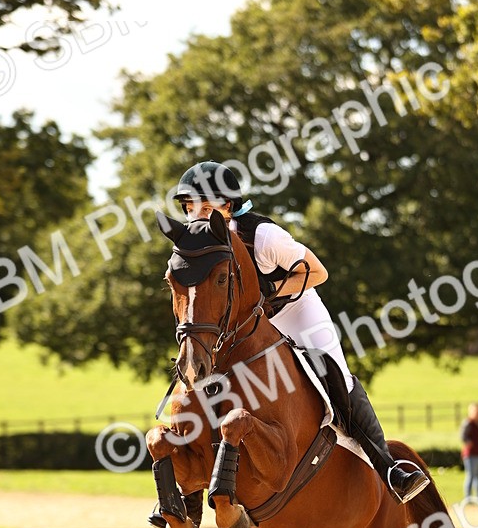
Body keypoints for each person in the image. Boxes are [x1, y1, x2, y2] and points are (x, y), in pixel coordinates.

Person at [169, 160, 430, 505]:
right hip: (251, 325)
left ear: (227, 206)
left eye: (207, 206)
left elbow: (318, 272)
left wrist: (269, 293)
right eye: (191, 208)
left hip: (297, 312)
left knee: (333, 375)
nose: (198, 215)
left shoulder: (261, 236)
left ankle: (389, 468)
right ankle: (185, 487)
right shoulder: (197, 249)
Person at [460, 402, 478, 499]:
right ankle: (468, 498)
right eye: (476, 411)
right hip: (471, 454)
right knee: (470, 476)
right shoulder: (468, 423)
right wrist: (469, 443)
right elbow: (463, 436)